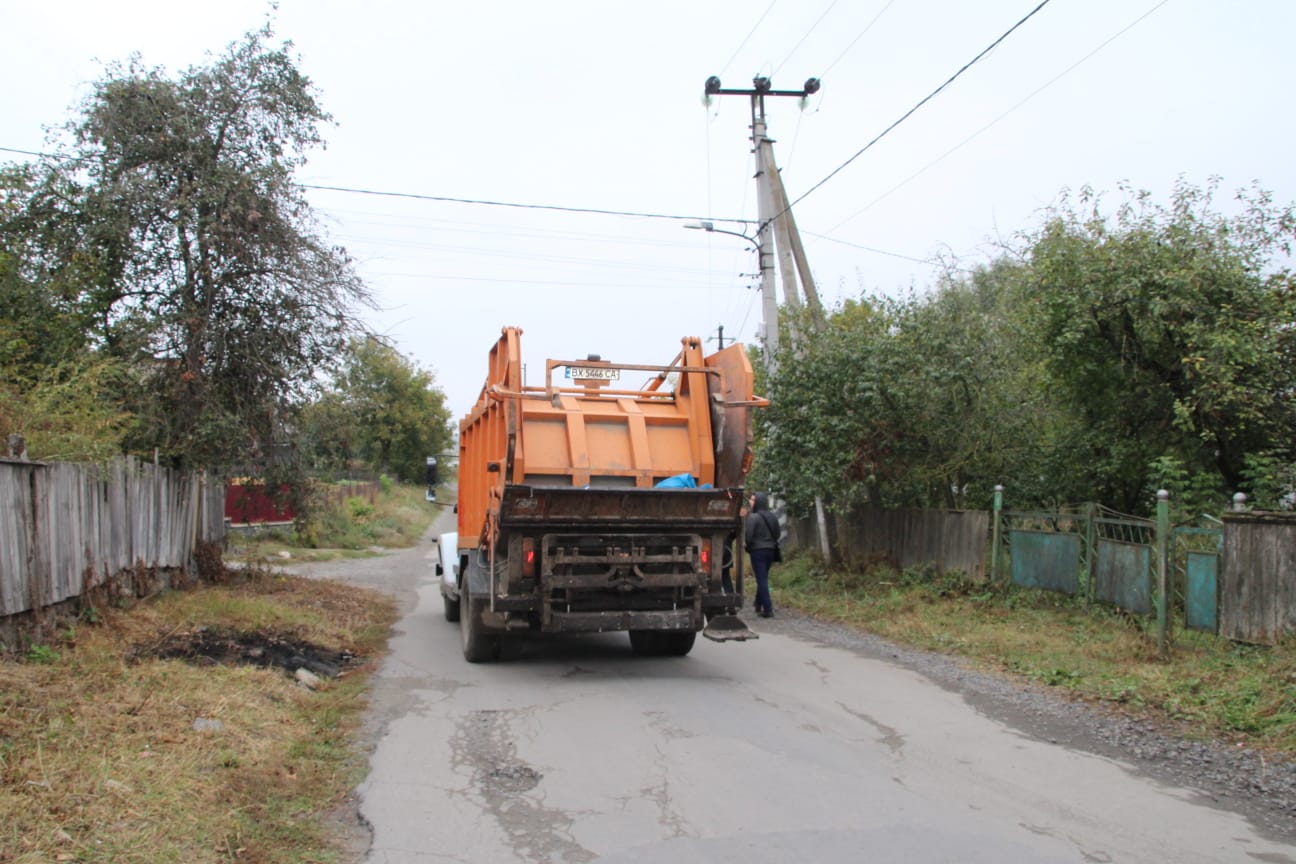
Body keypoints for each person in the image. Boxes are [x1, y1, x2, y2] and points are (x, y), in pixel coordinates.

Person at [744, 491, 778, 618]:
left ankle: (768, 609)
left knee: (761, 579)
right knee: (763, 576)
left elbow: (748, 536)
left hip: (757, 551)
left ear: (758, 502)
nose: (750, 502)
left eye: (753, 500)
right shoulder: (772, 516)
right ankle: (758, 603)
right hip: (771, 550)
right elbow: (778, 533)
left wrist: (749, 547)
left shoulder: (753, 517)